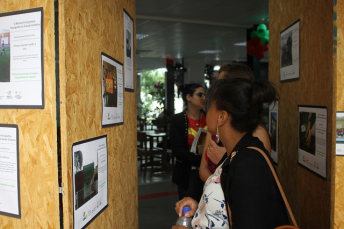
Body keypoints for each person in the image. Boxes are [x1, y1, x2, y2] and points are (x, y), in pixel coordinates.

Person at [173, 78, 289, 229]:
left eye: (210, 105)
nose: (206, 110)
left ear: (221, 117)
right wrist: (203, 210)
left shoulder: (248, 163)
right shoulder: (236, 154)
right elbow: (233, 205)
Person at [199, 63, 271, 182]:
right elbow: (203, 169)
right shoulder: (215, 128)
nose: (217, 87)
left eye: (222, 83)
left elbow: (253, 181)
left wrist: (225, 161)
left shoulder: (257, 133)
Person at [170, 83, 206, 201]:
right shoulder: (178, 120)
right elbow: (177, 149)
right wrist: (200, 160)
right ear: (188, 97)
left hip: (209, 171)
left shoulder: (210, 117)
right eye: (200, 95)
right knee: (188, 209)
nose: (203, 98)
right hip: (188, 172)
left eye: (204, 95)